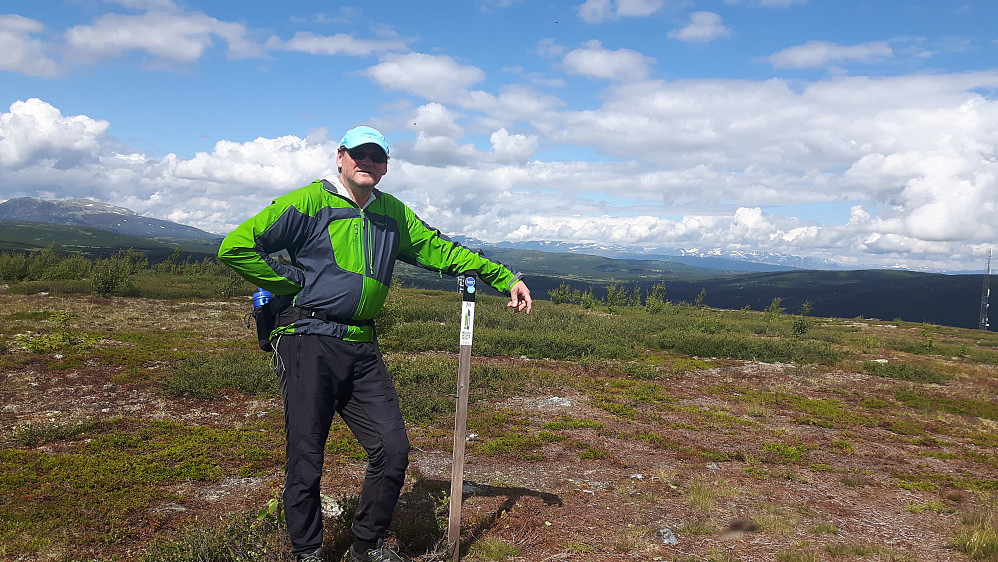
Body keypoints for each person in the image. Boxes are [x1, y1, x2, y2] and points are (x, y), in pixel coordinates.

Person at [218, 126, 532, 562]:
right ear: (341, 157)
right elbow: (236, 247)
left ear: (385, 166)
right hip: (307, 338)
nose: (367, 162)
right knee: (306, 455)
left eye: (377, 157)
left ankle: (366, 545)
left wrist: (505, 277)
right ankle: (308, 552)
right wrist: (294, 281)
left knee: (392, 447)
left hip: (362, 344)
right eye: (359, 154)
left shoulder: (391, 213)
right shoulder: (309, 202)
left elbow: (441, 250)